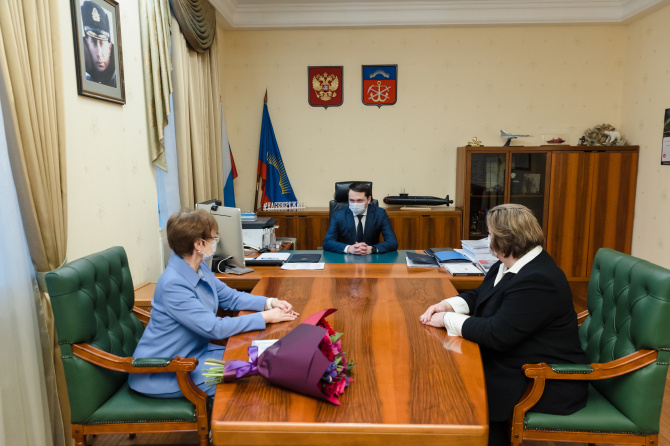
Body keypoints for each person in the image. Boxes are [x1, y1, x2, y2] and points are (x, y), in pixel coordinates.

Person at [419, 204, 587, 446]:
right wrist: (449, 304)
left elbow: (497, 334)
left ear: (505, 239)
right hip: (517, 358)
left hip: (543, 378)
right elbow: (482, 294)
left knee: (452, 384)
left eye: (490, 234)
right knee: (446, 373)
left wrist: (447, 320)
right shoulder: (508, 263)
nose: (487, 240)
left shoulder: (539, 279)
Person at [128, 209, 298, 398]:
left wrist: (269, 303)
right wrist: (266, 317)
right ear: (198, 244)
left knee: (261, 360)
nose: (215, 241)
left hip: (195, 353)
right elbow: (215, 328)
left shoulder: (198, 267)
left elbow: (230, 297)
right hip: (165, 370)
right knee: (252, 381)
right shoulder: (173, 284)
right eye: (213, 238)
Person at [323, 182, 398, 255]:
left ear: (369, 200)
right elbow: (327, 242)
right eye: (352, 200)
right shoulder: (338, 215)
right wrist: (349, 248)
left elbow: (392, 242)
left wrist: (372, 249)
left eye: (359, 200)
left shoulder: (380, 214)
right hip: (346, 258)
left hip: (371, 258)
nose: (355, 204)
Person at [80, 0, 117, 87]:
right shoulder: (87, 81)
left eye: (102, 43)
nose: (99, 54)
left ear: (109, 48)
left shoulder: (118, 82)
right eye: (93, 42)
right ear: (87, 44)